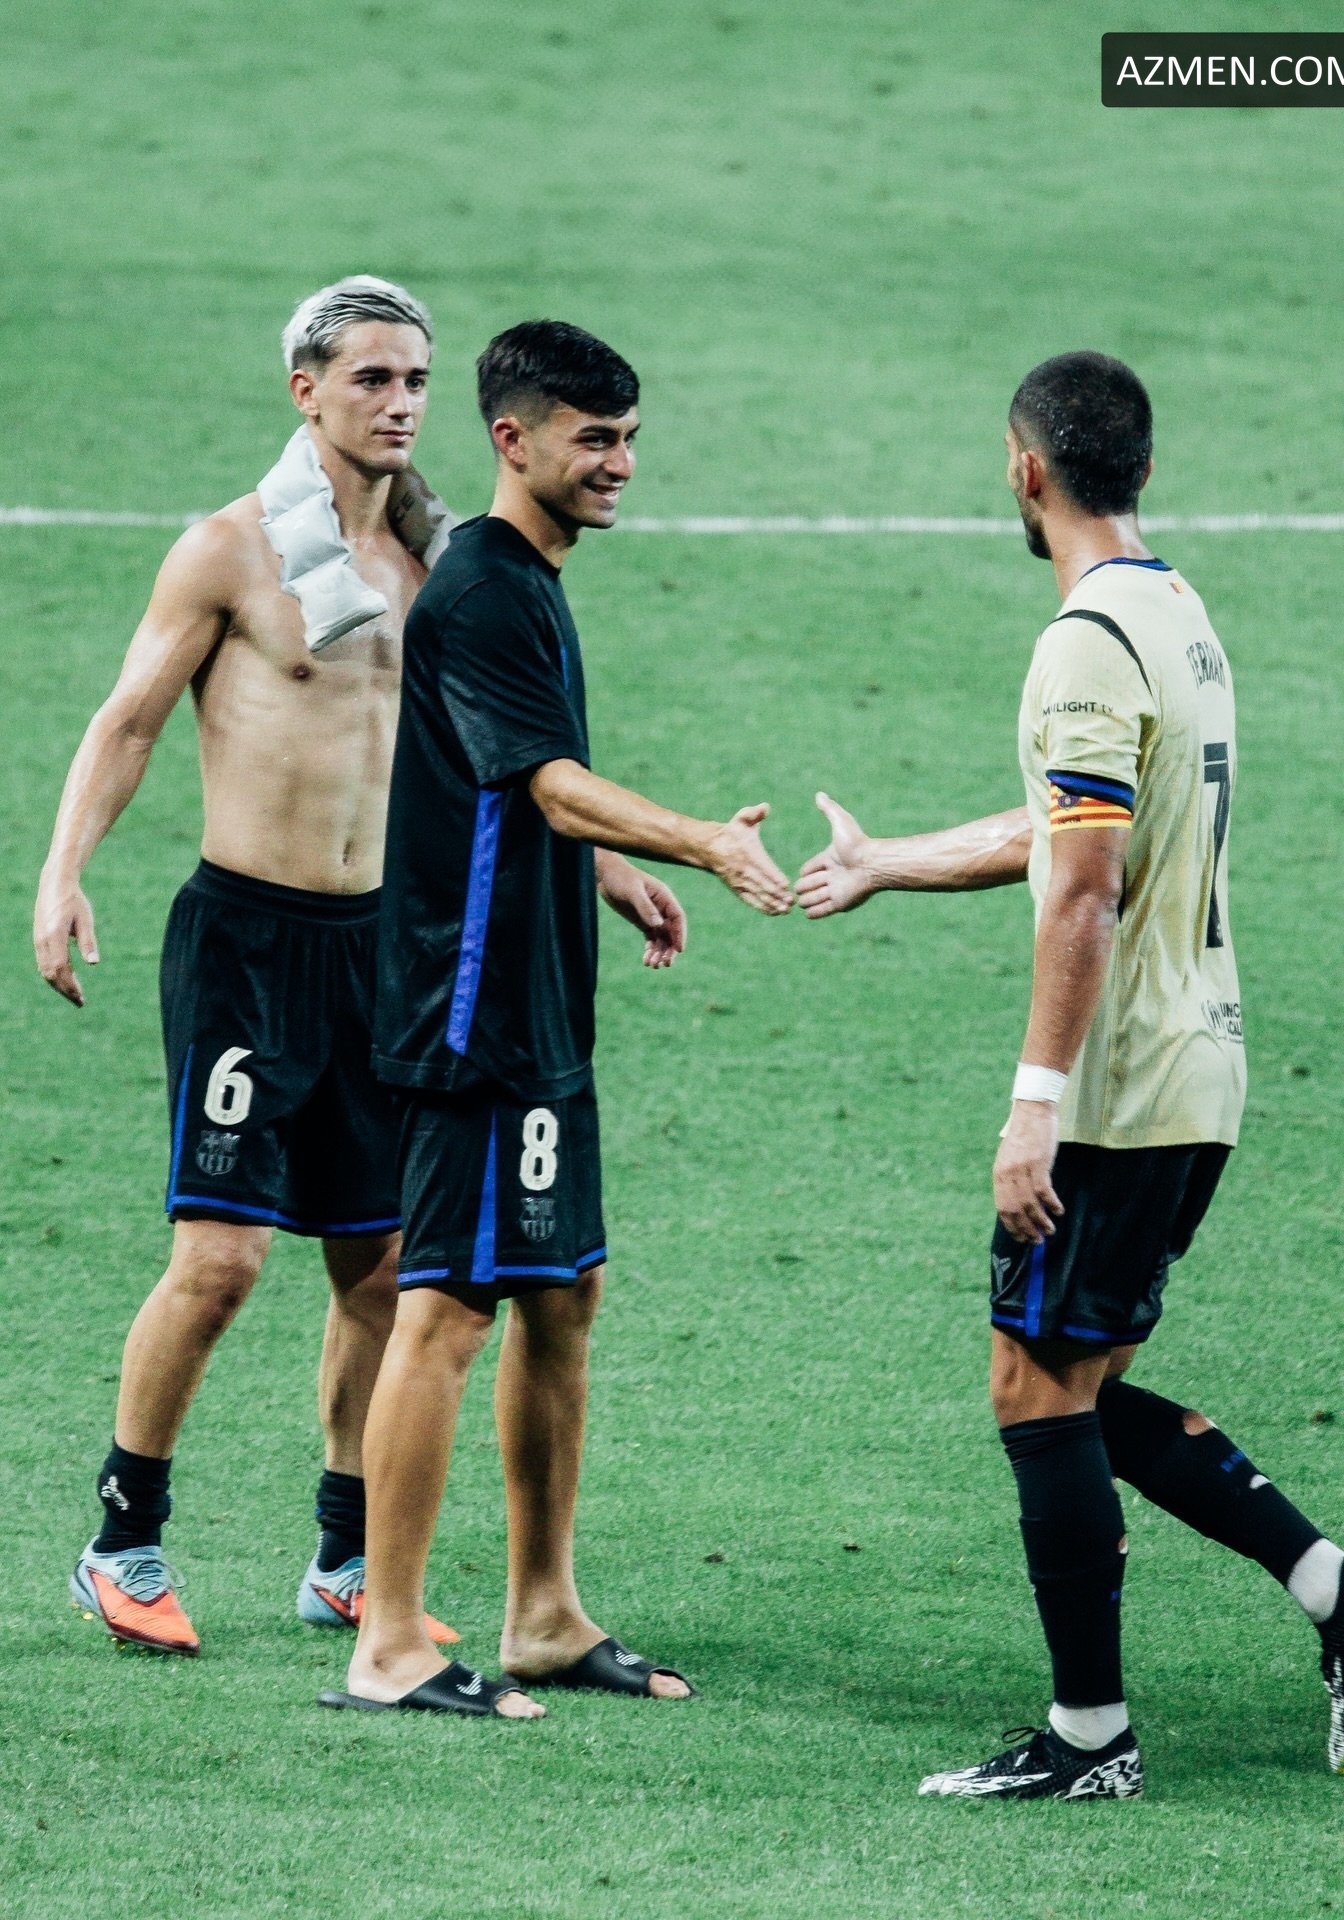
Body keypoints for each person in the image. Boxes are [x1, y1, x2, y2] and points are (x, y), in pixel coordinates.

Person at [798, 351, 1344, 1797]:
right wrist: (891, 861)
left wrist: (1034, 1106)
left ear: (1028, 470)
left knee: (1035, 1389)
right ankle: (1337, 1590)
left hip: (1121, 1090)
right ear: (1141, 466)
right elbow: (1077, 828)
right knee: (1069, 1385)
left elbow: (1084, 890)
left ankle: (1092, 1737)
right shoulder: (1175, 612)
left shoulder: (1083, 643)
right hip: (1199, 1064)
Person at [320, 319, 792, 1720]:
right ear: (512, 439)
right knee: (447, 1309)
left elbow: (508, 787)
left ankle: (541, 1613)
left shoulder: (527, 579)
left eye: (629, 438)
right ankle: (387, 1640)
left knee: (562, 1293)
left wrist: (605, 872)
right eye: (594, 439)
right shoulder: (479, 591)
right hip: (471, 1011)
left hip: (537, 999)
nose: (620, 462)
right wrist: (699, 839)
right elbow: (545, 780)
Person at [36, 275, 460, 1655]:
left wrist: (610, 867)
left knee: (379, 1274)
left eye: (415, 381)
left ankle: (346, 1560)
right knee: (220, 1263)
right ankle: (121, 1540)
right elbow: (129, 720)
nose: (398, 404)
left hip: (378, 952)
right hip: (248, 948)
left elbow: (490, 753)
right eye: (372, 379)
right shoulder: (227, 551)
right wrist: (61, 874)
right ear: (306, 390)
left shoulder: (437, 563)